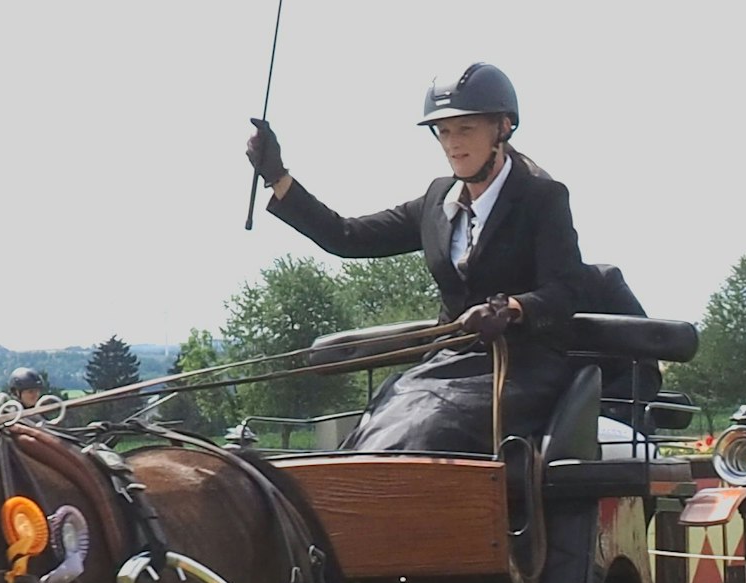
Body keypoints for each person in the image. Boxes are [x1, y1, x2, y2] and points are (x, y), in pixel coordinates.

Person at [245, 62, 595, 455]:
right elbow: (347, 237)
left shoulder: (542, 199)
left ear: (503, 127)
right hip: (443, 366)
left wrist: (511, 308)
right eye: (443, 132)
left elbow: (566, 291)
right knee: (367, 434)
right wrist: (277, 176)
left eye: (465, 129)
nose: (452, 144)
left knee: (424, 429)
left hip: (519, 371)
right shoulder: (436, 200)